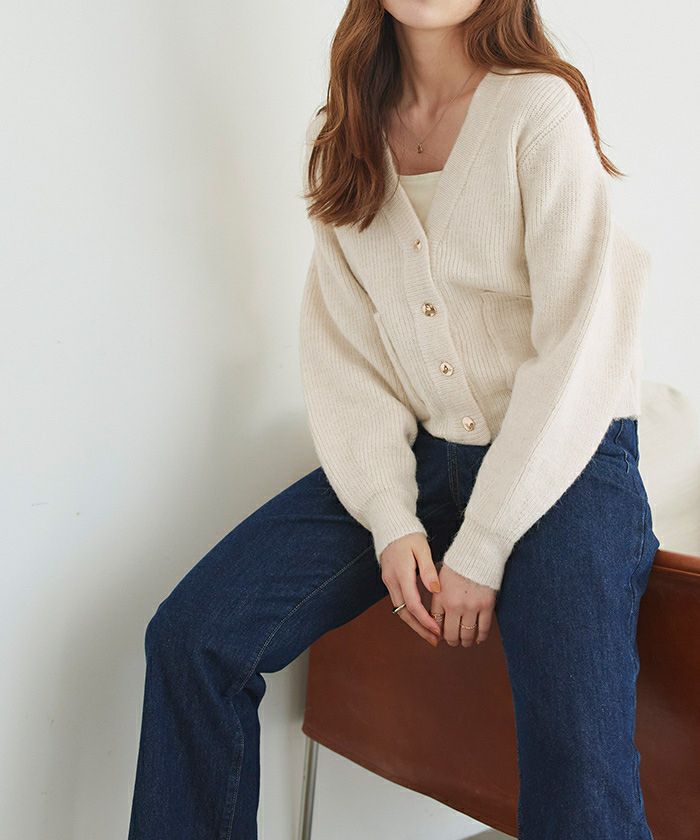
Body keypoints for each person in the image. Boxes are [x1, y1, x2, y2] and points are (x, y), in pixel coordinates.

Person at [127, 2, 660, 838]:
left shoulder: (537, 109)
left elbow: (578, 350)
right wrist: (390, 519)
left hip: (565, 457)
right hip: (420, 457)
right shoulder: (344, 132)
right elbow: (348, 357)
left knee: (577, 758)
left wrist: (482, 544)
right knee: (195, 637)